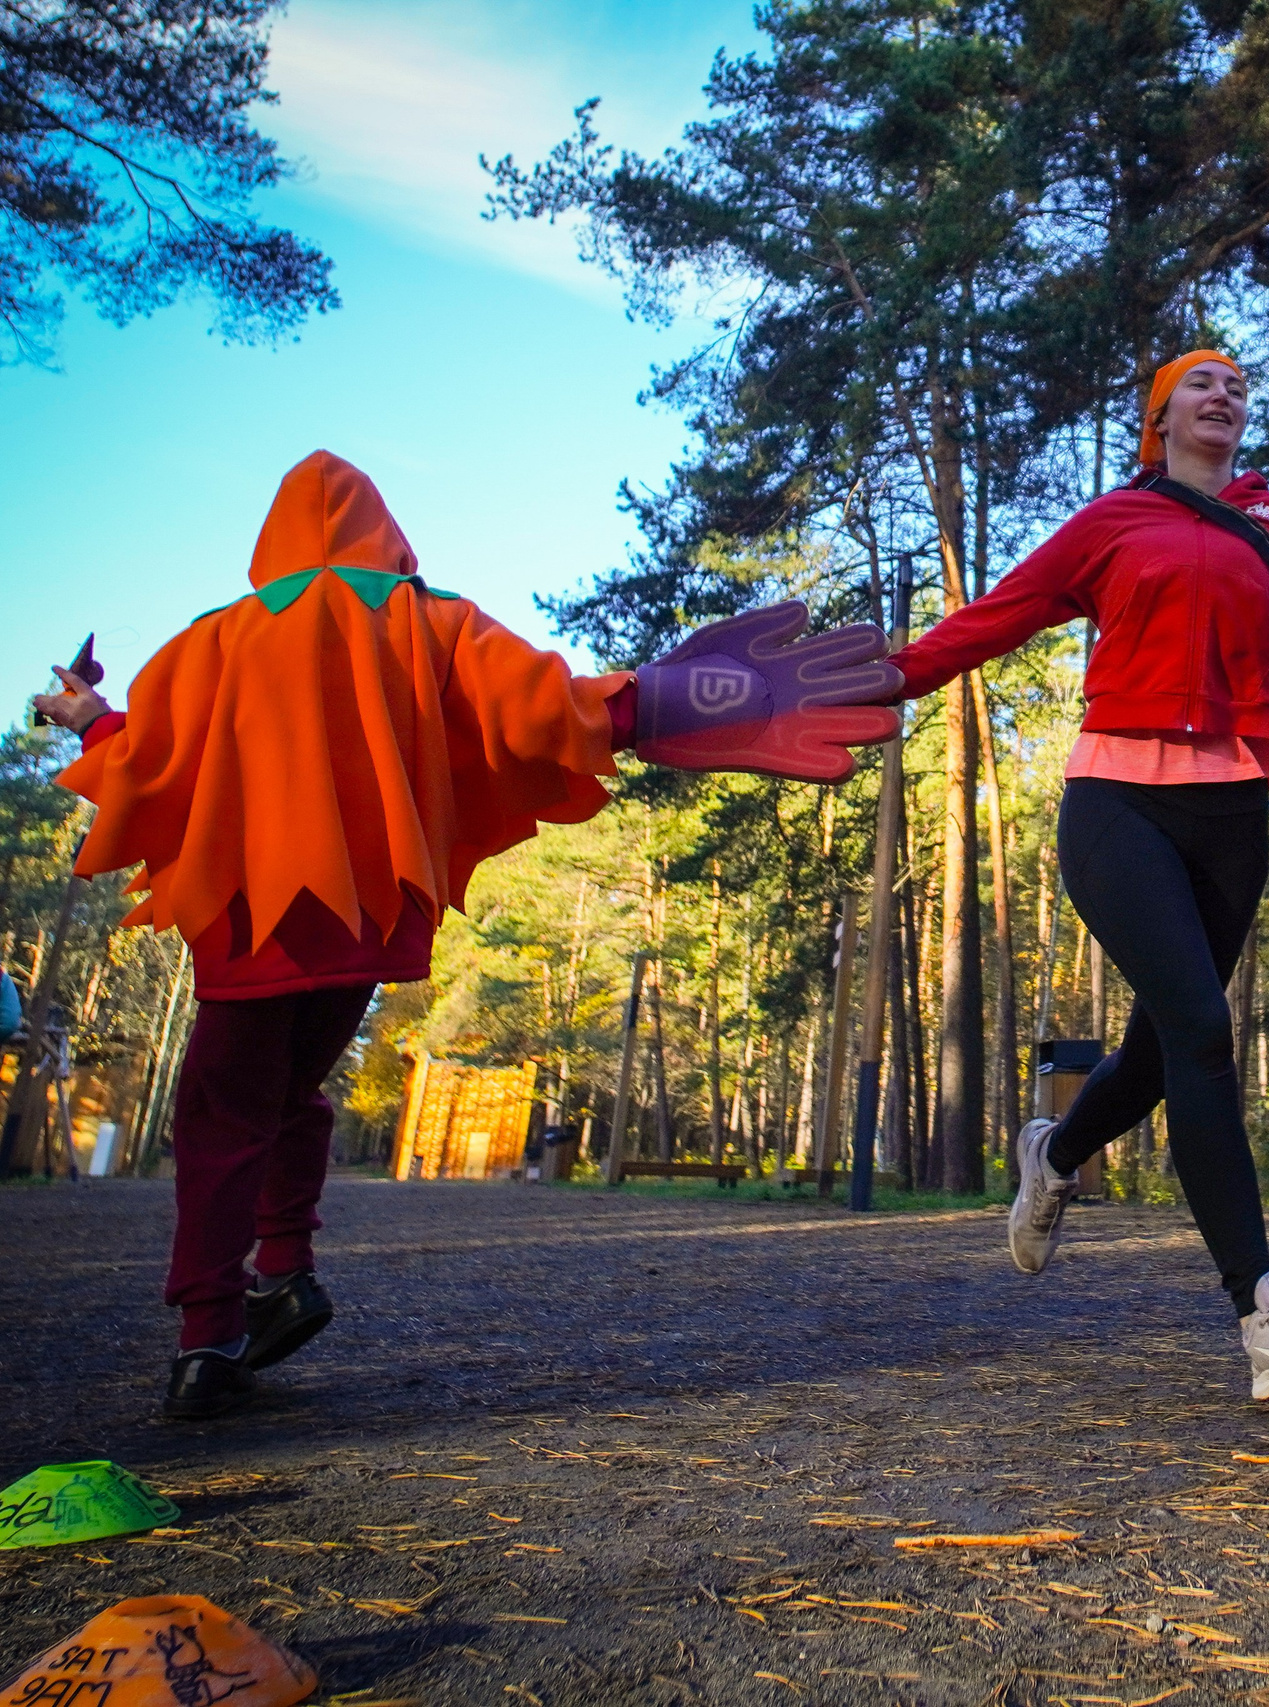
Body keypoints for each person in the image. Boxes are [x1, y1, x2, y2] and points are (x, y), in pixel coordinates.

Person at [37, 451, 897, 1420]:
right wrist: (674, 699)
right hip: (369, 906)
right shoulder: (428, 617)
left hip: (245, 910)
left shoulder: (207, 643)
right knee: (289, 1095)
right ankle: (280, 1271)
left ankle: (211, 1338)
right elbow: (542, 709)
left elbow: (142, 764)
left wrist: (87, 717)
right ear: (384, 531)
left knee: (224, 1111)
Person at [885, 350, 1269, 1402]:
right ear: (1160, 416)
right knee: (1200, 1031)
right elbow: (993, 619)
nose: (1222, 396)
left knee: (1164, 1042)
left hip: (1231, 809)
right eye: (1200, 384)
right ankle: (1264, 1310)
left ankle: (1058, 1149)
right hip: (1115, 803)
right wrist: (879, 683)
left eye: (1236, 387)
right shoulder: (1112, 523)